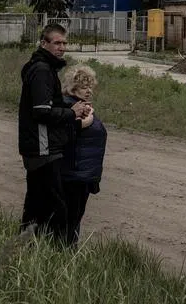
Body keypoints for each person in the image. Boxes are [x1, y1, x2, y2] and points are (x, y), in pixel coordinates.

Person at [18, 22, 91, 245]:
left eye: (64, 43)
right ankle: (59, 253)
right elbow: (42, 112)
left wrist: (74, 121)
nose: (62, 47)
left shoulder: (44, 68)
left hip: (42, 148)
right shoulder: (41, 70)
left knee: (36, 204)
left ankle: (24, 246)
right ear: (44, 43)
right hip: (43, 150)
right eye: (57, 42)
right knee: (57, 207)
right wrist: (72, 112)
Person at [59, 64, 108, 246]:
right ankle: (64, 252)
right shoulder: (69, 107)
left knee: (75, 217)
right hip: (73, 173)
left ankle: (68, 250)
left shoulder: (83, 106)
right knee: (70, 218)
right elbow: (64, 135)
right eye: (83, 87)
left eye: (90, 86)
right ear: (72, 88)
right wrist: (84, 124)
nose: (88, 91)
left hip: (83, 173)